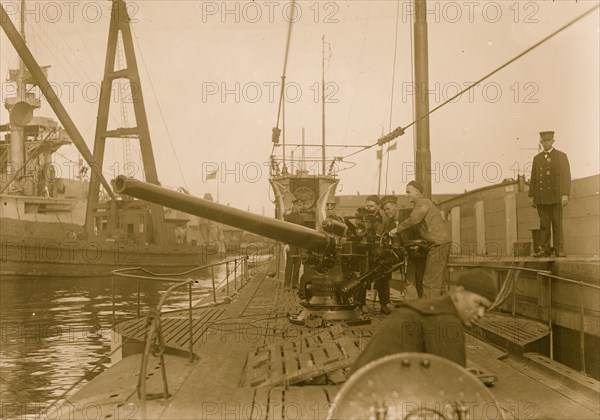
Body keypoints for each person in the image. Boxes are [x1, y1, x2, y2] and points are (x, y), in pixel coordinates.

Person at [351, 269, 498, 373]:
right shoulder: (445, 320)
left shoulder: (432, 308)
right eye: (478, 304)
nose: (480, 314)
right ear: (458, 293)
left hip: (363, 390)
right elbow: (452, 386)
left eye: (486, 309)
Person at [385, 181, 451, 298]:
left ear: (417, 192)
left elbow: (413, 220)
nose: (406, 195)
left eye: (408, 192)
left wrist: (396, 230)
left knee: (430, 282)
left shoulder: (422, 202)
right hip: (439, 243)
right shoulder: (421, 204)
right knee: (438, 281)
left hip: (437, 244)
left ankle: (429, 312)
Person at [529, 131, 571, 258]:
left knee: (557, 224)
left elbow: (566, 177)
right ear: (541, 142)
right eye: (543, 141)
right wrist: (531, 196)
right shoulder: (537, 159)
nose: (545, 143)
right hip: (541, 198)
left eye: (548, 140)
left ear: (553, 141)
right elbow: (534, 178)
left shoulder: (561, 156)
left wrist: (565, 194)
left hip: (556, 197)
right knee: (544, 225)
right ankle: (545, 249)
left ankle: (559, 249)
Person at [283, 199, 305, 289]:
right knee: (289, 264)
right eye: (296, 206)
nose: (297, 208)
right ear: (293, 206)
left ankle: (295, 284)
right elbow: (284, 231)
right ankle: (287, 285)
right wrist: (285, 244)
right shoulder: (287, 218)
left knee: (297, 264)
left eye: (299, 206)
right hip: (291, 244)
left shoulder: (301, 218)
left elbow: (303, 232)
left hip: (299, 244)